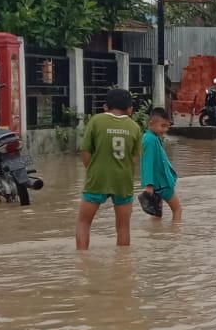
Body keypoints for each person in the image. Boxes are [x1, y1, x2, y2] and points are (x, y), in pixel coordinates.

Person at [76, 88, 142, 250]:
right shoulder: (134, 127)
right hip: (123, 181)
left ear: (106, 106)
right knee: (123, 227)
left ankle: (82, 263)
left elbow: (85, 151)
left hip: (98, 178)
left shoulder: (96, 121)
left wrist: (92, 170)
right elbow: (135, 159)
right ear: (130, 109)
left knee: (84, 222)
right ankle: (123, 266)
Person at [140, 107, 181, 220]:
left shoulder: (151, 137)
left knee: (157, 213)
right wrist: (149, 186)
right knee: (177, 209)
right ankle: (176, 234)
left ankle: (157, 235)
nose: (166, 129)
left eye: (167, 126)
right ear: (151, 123)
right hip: (162, 184)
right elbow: (147, 163)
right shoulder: (150, 140)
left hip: (156, 184)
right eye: (163, 126)